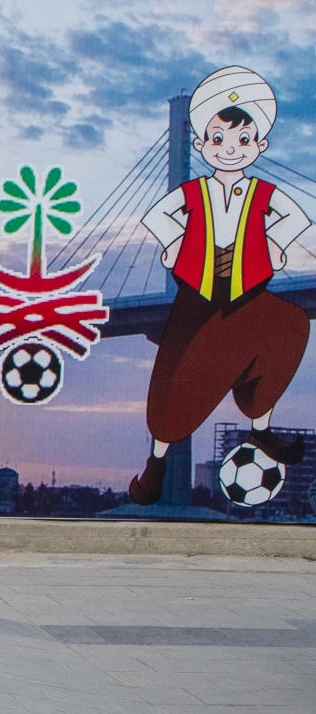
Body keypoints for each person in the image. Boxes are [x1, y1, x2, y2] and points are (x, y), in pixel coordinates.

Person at [130, 66, 311, 505]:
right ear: (201, 145)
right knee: (176, 377)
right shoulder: (193, 194)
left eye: (242, 141)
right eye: (218, 140)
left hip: (247, 290)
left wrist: (274, 243)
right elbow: (156, 217)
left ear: (259, 146)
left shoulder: (262, 194)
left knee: (288, 325)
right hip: (196, 295)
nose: (230, 150)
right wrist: (175, 245)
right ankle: (157, 463)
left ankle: (261, 430)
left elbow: (298, 218)